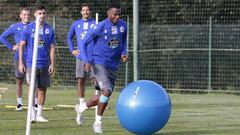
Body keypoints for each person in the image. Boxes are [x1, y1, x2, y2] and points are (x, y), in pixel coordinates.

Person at [75, 3, 128, 134]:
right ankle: (98, 123)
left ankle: (81, 107)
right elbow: (83, 43)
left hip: (113, 65)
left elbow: (124, 40)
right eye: (115, 14)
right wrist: (86, 60)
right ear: (108, 13)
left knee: (102, 95)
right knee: (107, 91)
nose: (117, 17)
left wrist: (124, 53)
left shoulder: (123, 25)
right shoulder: (100, 26)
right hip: (99, 63)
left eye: (119, 14)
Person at [19, 5, 56, 123]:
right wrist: (21, 62)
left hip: (44, 64)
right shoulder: (29, 28)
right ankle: (32, 114)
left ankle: (39, 114)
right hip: (31, 64)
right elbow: (22, 46)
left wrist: (52, 64)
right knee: (31, 89)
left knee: (42, 89)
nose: (42, 15)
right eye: (40, 13)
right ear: (35, 15)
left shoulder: (49, 29)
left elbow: (52, 47)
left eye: (44, 13)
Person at [0, 7, 39, 111]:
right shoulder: (15, 27)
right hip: (20, 57)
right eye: (24, 14)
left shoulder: (35, 26)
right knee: (19, 81)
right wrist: (11, 47)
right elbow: (2, 37)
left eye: (28, 15)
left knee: (33, 82)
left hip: (32, 58)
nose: (26, 16)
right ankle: (20, 104)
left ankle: (34, 104)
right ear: (20, 16)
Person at [67, 3, 96, 126]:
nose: (85, 12)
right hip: (80, 57)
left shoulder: (95, 23)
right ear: (81, 12)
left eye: (87, 10)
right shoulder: (76, 24)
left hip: (94, 58)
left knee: (96, 82)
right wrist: (72, 49)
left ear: (90, 12)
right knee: (80, 81)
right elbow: (69, 37)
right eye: (83, 10)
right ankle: (80, 109)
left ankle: (97, 109)